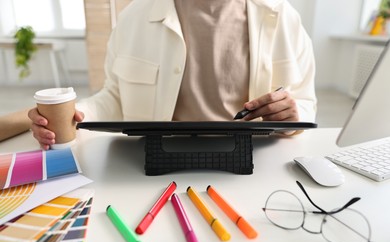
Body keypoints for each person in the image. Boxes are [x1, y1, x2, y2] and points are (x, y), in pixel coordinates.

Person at [28, 0, 317, 150]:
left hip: (250, 161)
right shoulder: (134, 18)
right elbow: (114, 97)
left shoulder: (283, 17)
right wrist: (76, 115)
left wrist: (292, 117)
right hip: (155, 162)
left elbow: (305, 104)